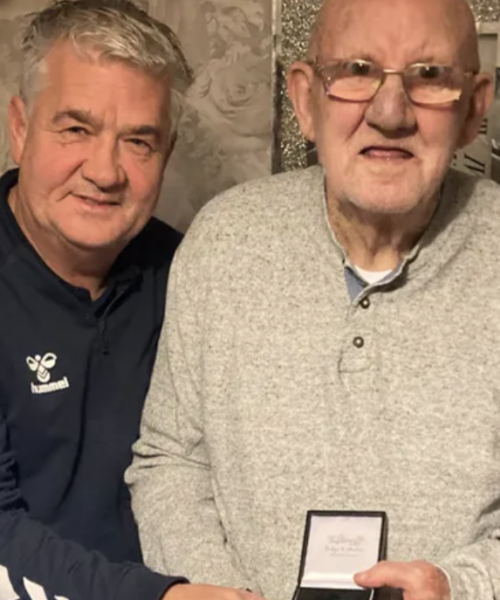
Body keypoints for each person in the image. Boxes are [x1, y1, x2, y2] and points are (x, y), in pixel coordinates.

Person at [126, 0, 500, 599]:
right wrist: (222, 592)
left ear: (474, 109)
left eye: (429, 75)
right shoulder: (224, 242)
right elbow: (171, 460)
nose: (389, 112)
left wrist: (460, 588)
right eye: (357, 70)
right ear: (304, 100)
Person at [0, 2, 266, 600]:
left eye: (138, 142)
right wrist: (157, 596)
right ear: (20, 128)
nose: (105, 171)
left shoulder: (196, 274)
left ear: (167, 153)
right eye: (76, 129)